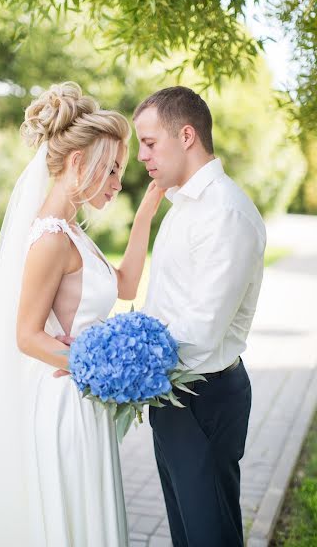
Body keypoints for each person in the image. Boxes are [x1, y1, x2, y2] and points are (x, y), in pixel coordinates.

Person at [0, 81, 164, 547]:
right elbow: (26, 335)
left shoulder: (72, 230)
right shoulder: (50, 237)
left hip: (84, 398)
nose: (118, 182)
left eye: (120, 170)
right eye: (111, 169)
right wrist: (97, 367)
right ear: (78, 162)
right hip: (65, 403)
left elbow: (126, 286)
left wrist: (146, 214)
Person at [133, 86, 266, 547]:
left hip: (203, 398)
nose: (141, 156)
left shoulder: (224, 213)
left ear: (186, 135)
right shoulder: (182, 207)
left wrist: (128, 373)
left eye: (149, 143)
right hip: (172, 396)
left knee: (211, 536)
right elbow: (164, 306)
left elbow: (202, 332)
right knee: (186, 535)